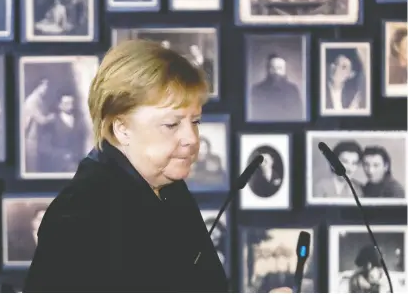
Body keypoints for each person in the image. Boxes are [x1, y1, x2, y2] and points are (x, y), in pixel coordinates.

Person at [22, 40, 291, 293]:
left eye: (195, 122)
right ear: (122, 128)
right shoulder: (80, 214)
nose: (191, 139)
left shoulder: (169, 190)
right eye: (172, 124)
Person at [249, 53, 303, 121]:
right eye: (272, 68)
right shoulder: (256, 90)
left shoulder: (293, 90)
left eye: (279, 68)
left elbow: (298, 115)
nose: (276, 71)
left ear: (284, 70)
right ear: (267, 69)